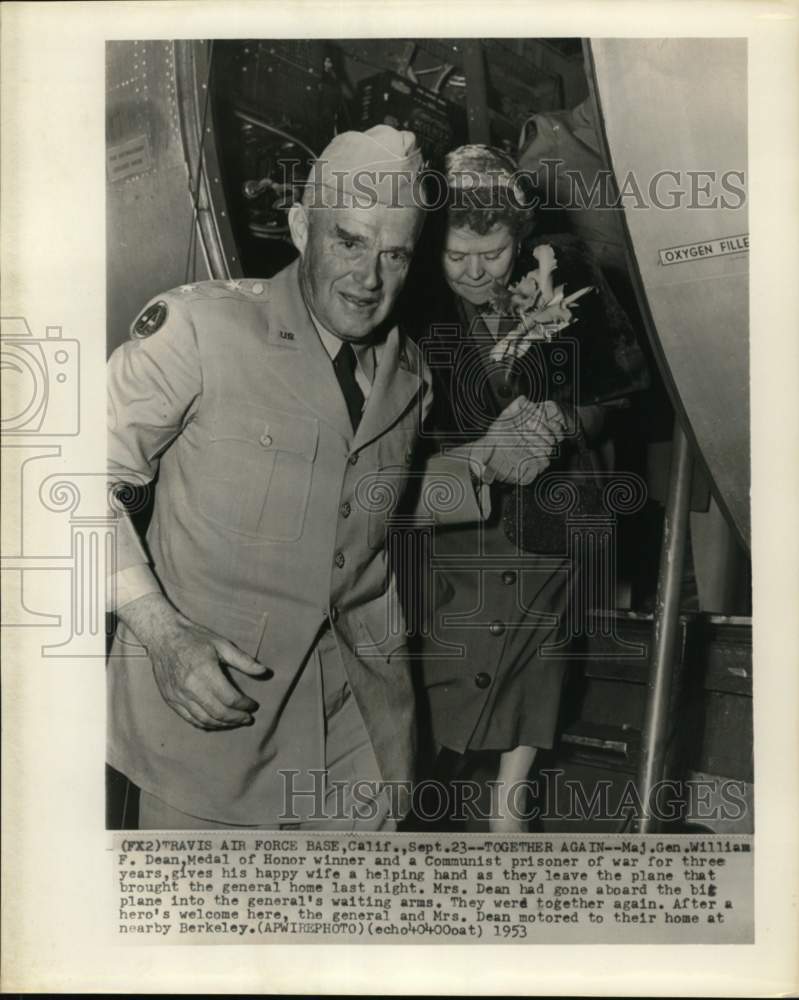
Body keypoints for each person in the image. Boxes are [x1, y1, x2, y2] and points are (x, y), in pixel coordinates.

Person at [106, 126, 564, 832]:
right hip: (213, 730)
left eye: (393, 255)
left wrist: (482, 465)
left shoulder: (408, 373)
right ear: (300, 227)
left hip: (362, 732)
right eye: (348, 242)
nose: (367, 278)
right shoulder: (200, 330)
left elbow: (365, 501)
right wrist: (162, 635)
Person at [408, 144, 613, 832]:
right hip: (460, 511)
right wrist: (474, 456)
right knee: (447, 649)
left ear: (517, 243)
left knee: (538, 655)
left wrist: (562, 416)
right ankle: (423, 783)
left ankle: (509, 802)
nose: (473, 272)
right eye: (456, 255)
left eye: (491, 255)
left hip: (550, 511)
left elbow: (621, 391)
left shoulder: (565, 286)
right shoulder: (410, 310)